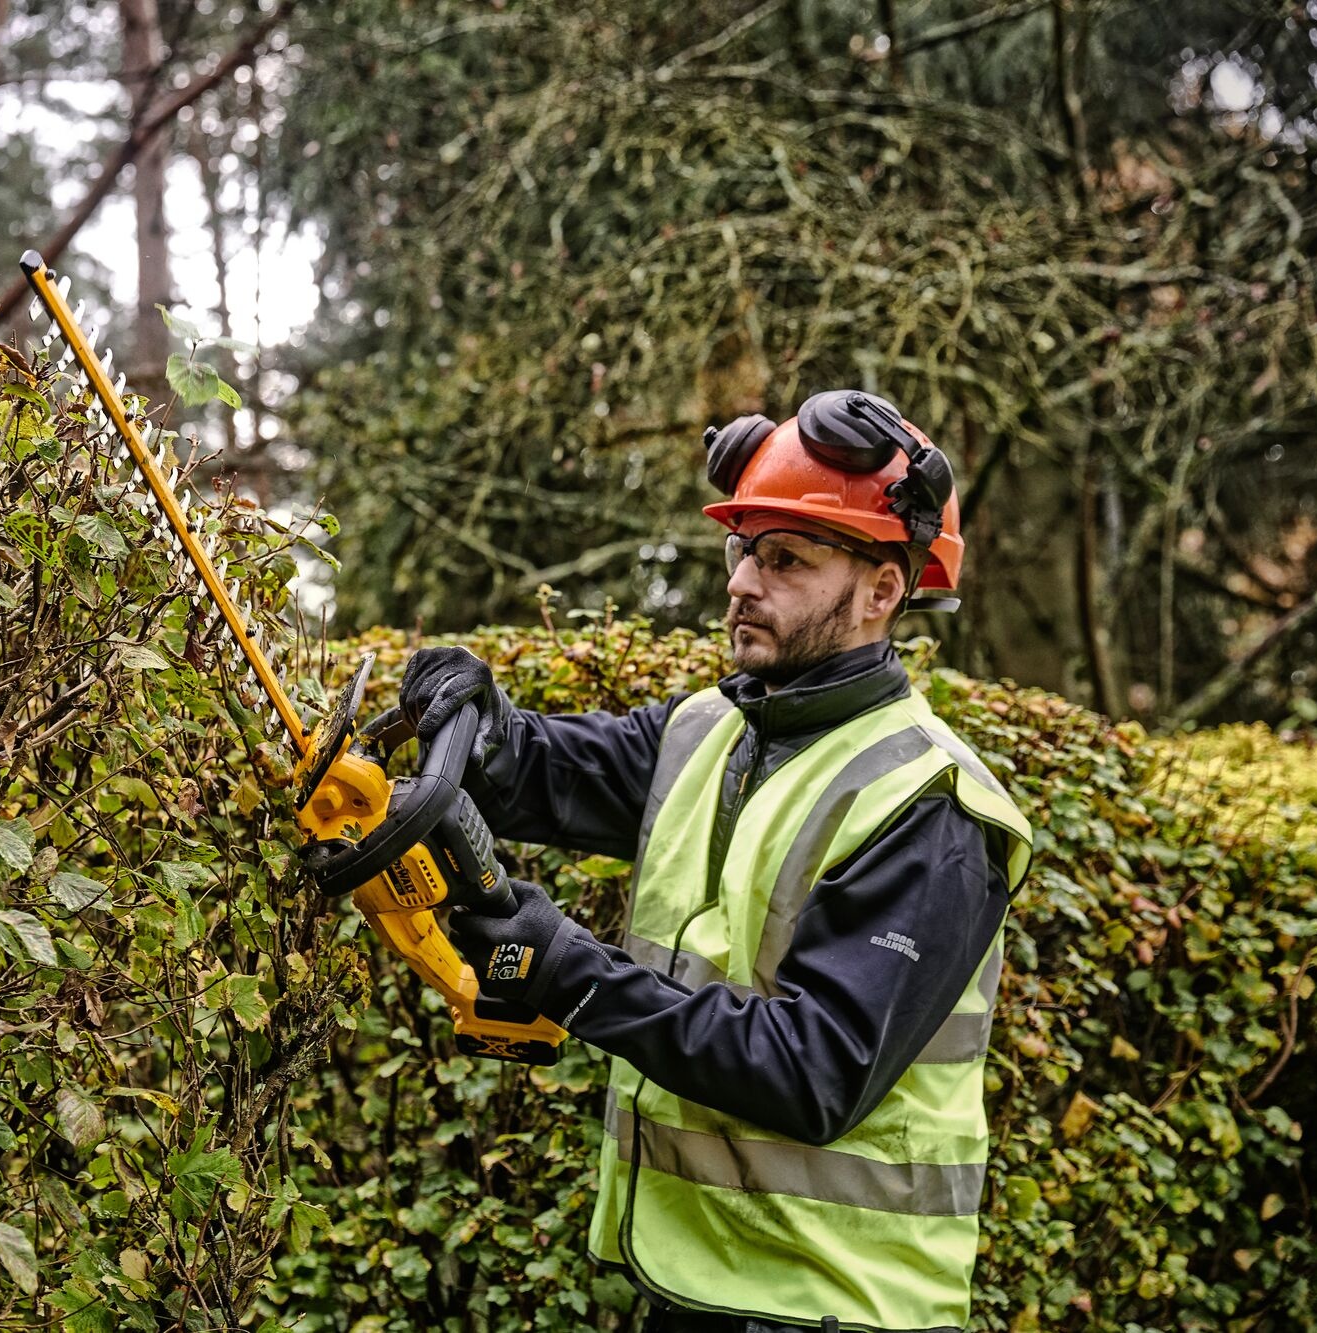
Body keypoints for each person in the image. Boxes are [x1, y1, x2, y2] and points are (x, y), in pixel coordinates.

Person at [399, 391, 1033, 1333]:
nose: (742, 583)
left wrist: (571, 973)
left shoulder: (929, 804)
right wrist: (470, 712)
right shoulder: (712, 731)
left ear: (881, 592)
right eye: (742, 550)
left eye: (786, 559)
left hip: (836, 1305)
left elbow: (814, 1071)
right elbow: (536, 770)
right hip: (700, 1286)